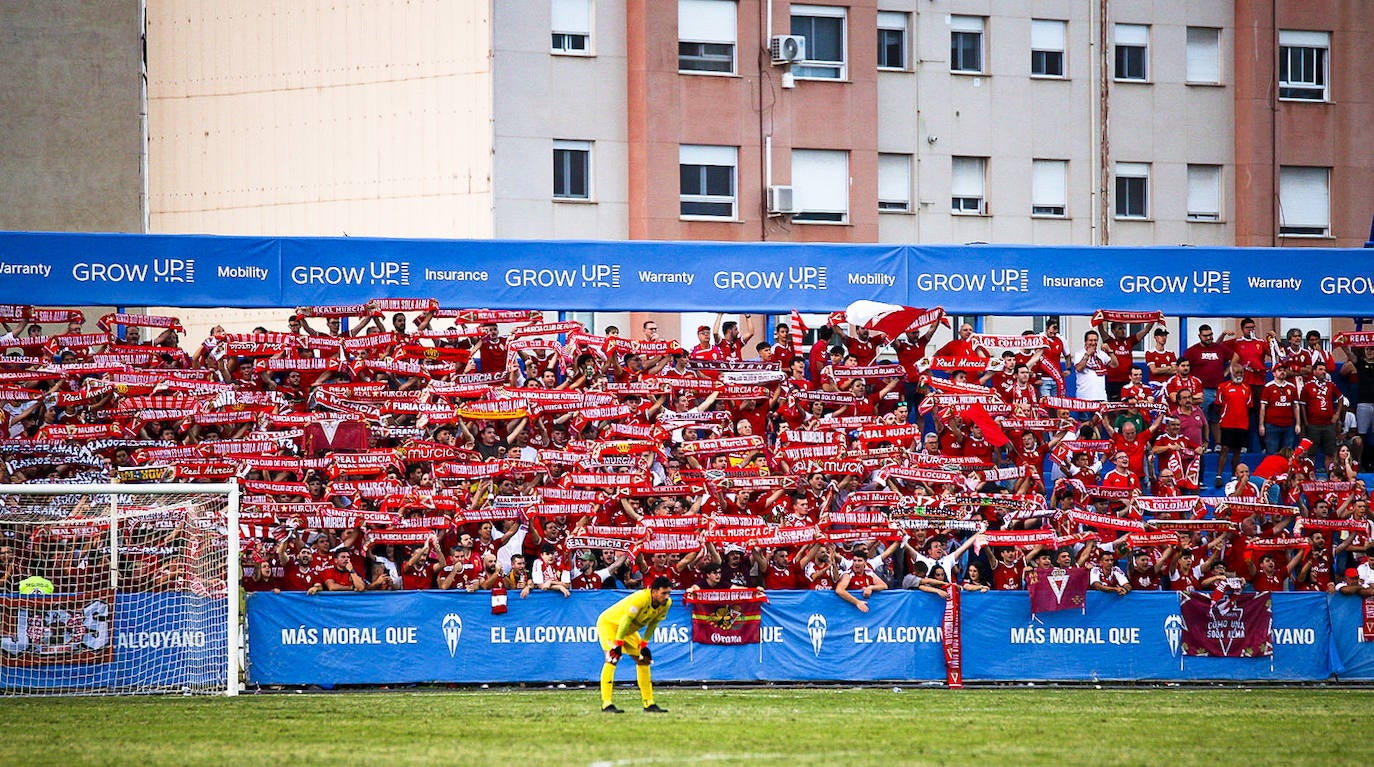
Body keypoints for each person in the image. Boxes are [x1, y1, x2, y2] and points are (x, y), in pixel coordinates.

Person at [596, 576, 672, 714]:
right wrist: (618, 643)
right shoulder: (640, 598)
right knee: (612, 658)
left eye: (668, 593)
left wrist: (644, 644)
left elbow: (654, 623)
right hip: (611, 624)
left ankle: (649, 703)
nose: (667, 597)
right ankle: (606, 704)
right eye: (663, 593)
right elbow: (626, 619)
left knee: (644, 660)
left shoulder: (666, 604)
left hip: (628, 629)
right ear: (654, 591)